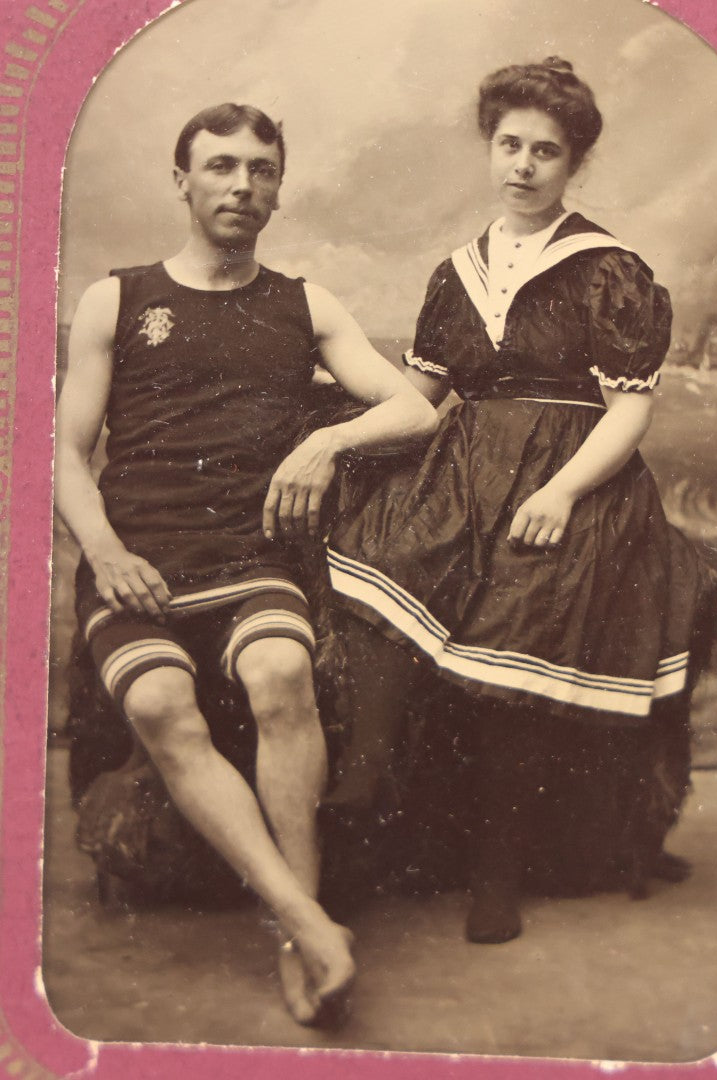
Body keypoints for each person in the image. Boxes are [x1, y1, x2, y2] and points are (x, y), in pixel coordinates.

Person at [54, 102, 438, 1025]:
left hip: (248, 557)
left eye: (260, 169)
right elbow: (62, 453)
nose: (241, 185)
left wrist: (326, 444)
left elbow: (415, 410)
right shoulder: (118, 298)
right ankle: (310, 923)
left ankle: (292, 935)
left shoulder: (304, 302)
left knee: (280, 673)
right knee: (156, 702)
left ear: (278, 187)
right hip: (136, 560)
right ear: (181, 180)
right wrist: (103, 552)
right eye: (220, 167)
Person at [323, 59, 717, 943]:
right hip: (465, 476)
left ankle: (495, 878)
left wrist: (563, 491)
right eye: (510, 145)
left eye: (547, 150)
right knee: (389, 553)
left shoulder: (608, 268)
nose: (524, 165)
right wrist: (333, 418)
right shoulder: (455, 274)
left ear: (574, 163)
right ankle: (361, 785)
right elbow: (419, 397)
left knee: (518, 633)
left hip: (577, 481)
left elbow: (631, 412)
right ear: (488, 147)